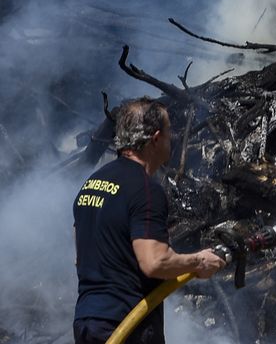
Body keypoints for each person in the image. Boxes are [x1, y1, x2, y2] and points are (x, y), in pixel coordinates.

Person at [73, 98, 227, 344]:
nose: (172, 138)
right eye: (169, 132)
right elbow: (154, 263)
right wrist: (199, 261)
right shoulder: (146, 190)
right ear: (156, 139)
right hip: (126, 326)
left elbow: (81, 257)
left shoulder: (92, 184)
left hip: (87, 323)